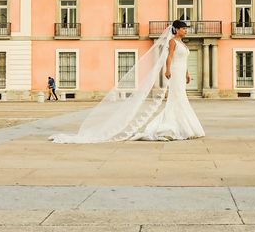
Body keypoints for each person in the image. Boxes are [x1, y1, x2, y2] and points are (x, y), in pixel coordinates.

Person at [50, 20, 204, 143]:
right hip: (174, 72)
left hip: (181, 72)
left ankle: (183, 126)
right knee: (177, 98)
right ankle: (176, 127)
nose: (186, 30)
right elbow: (169, 57)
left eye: (186, 29)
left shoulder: (183, 44)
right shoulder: (172, 42)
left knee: (180, 98)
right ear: (176, 29)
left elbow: (183, 60)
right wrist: (168, 70)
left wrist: (188, 73)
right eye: (183, 28)